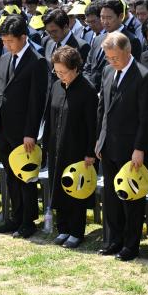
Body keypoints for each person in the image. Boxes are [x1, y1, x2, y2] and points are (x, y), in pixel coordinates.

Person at [95, 31, 148, 261]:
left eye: (115, 57)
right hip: (109, 144)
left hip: (131, 147)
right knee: (111, 196)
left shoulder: (144, 76)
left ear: (127, 51)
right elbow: (103, 108)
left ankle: (131, 245)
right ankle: (115, 240)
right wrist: (99, 139)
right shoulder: (107, 71)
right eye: (108, 57)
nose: (112, 61)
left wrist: (140, 148)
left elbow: (146, 117)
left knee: (131, 198)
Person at [0, 15, 48, 237]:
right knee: (10, 175)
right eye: (4, 41)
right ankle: (15, 215)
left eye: (10, 41)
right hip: (3, 127)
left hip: (23, 131)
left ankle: (28, 220)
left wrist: (30, 133)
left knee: (26, 176)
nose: (6, 45)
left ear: (23, 37)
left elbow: (36, 101)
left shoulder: (37, 61)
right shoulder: (4, 58)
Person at [43, 46, 98, 248]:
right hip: (56, 147)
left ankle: (76, 231)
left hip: (77, 150)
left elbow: (93, 125)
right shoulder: (56, 86)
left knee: (75, 191)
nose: (60, 75)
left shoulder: (87, 90)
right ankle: (63, 228)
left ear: (75, 68)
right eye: (57, 71)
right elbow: (49, 117)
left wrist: (90, 153)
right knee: (57, 188)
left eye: (63, 72)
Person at [42, 9, 90, 74]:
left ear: (66, 27)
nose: (51, 35)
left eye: (54, 31)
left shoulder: (82, 47)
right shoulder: (47, 42)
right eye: (48, 32)